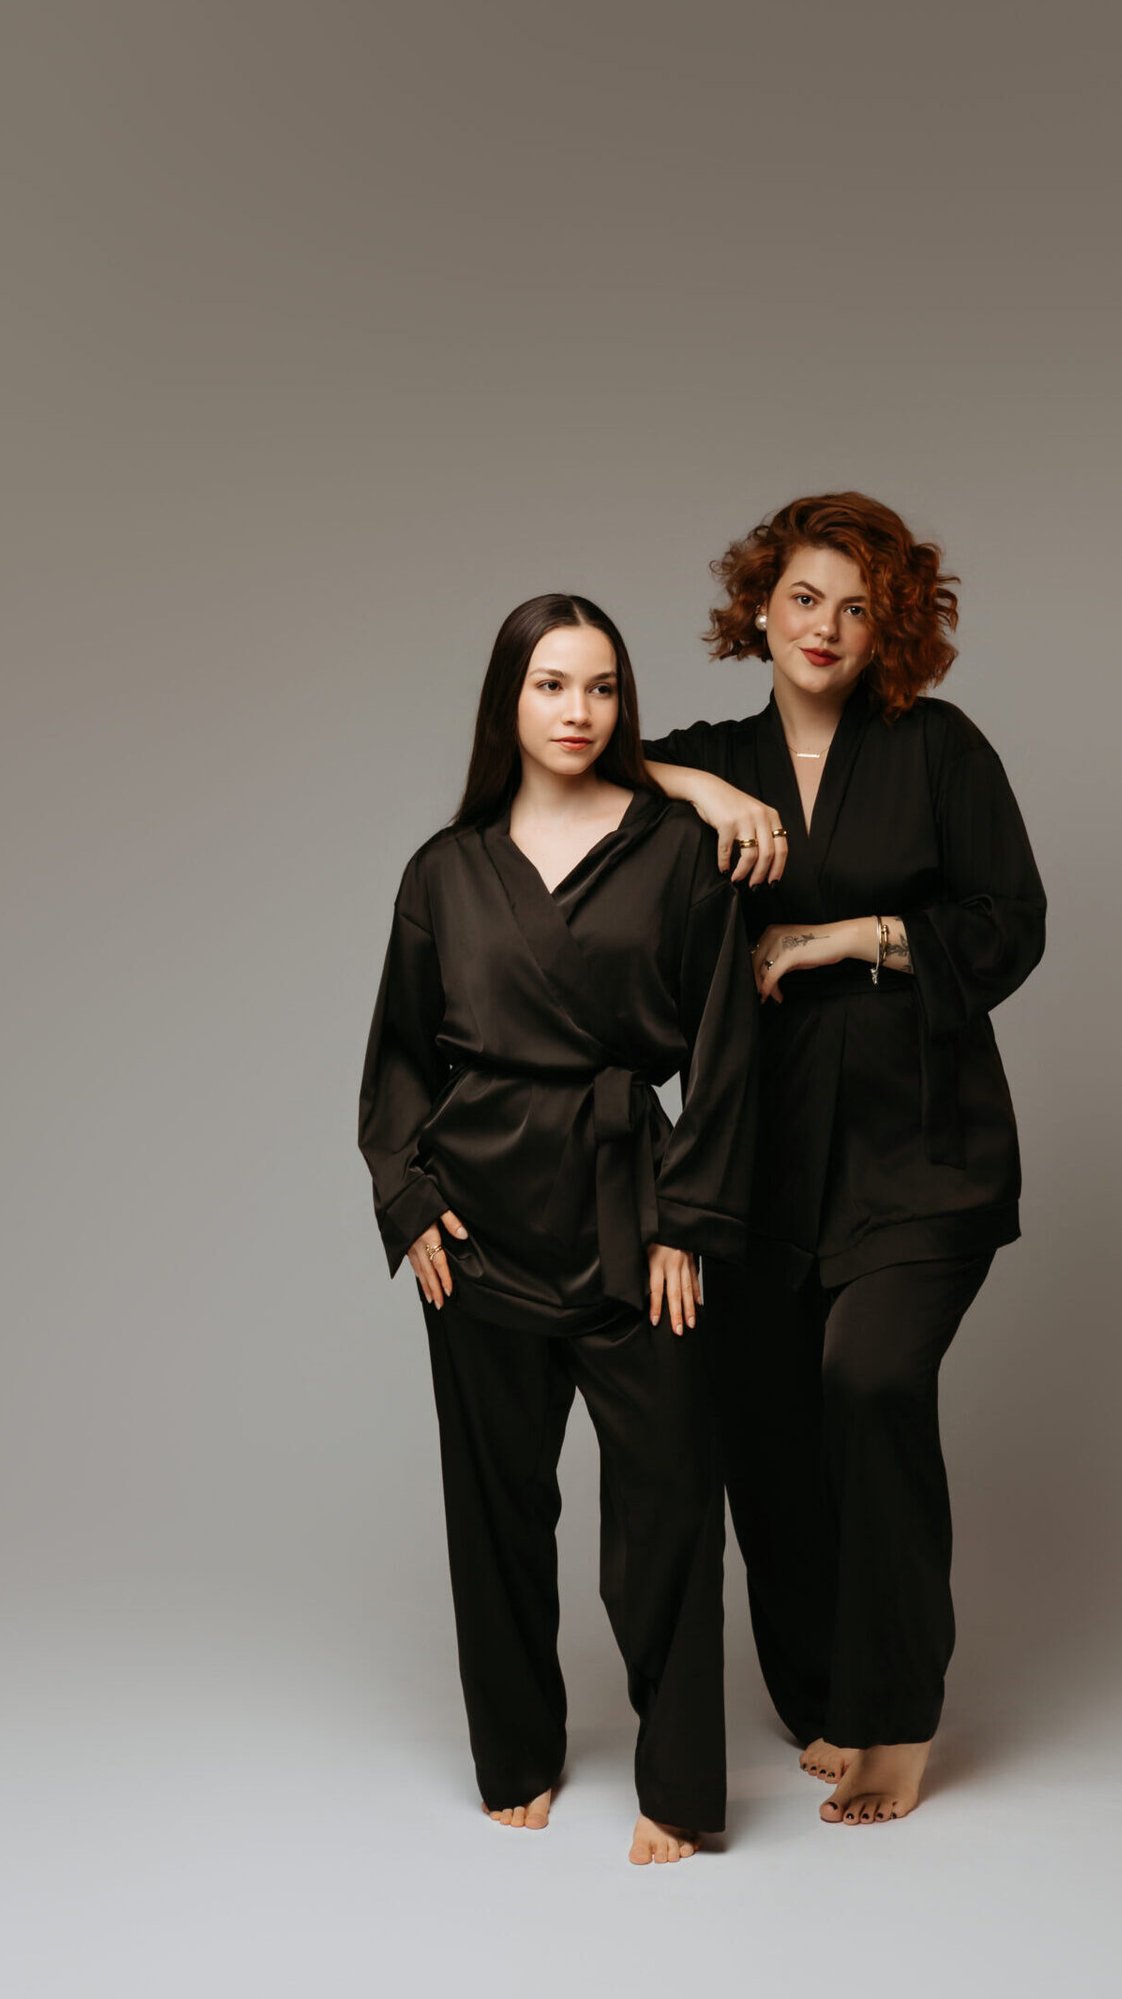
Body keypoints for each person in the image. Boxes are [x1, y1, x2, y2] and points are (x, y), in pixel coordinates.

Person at [643, 493, 1046, 1827]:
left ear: (890, 630)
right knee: (763, 1421)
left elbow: (1011, 921)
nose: (825, 627)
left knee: (868, 1382)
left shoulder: (937, 747)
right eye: (804, 598)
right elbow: (566, 767)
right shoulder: (717, 756)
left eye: (857, 608)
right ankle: (820, 1686)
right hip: (758, 1151)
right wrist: (702, 788)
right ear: (759, 607)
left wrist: (845, 936)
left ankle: (896, 1711)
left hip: (921, 1142)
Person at [359, 593, 757, 1865]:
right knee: (493, 1507)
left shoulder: (677, 850)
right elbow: (398, 1058)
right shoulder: (444, 868)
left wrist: (689, 1218)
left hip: (630, 1212)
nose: (577, 710)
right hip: (477, 1221)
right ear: (509, 701)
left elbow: (726, 1052)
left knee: (670, 1504)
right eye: (550, 684)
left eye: (600, 686)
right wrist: (408, 1197)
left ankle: (679, 1785)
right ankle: (516, 1751)